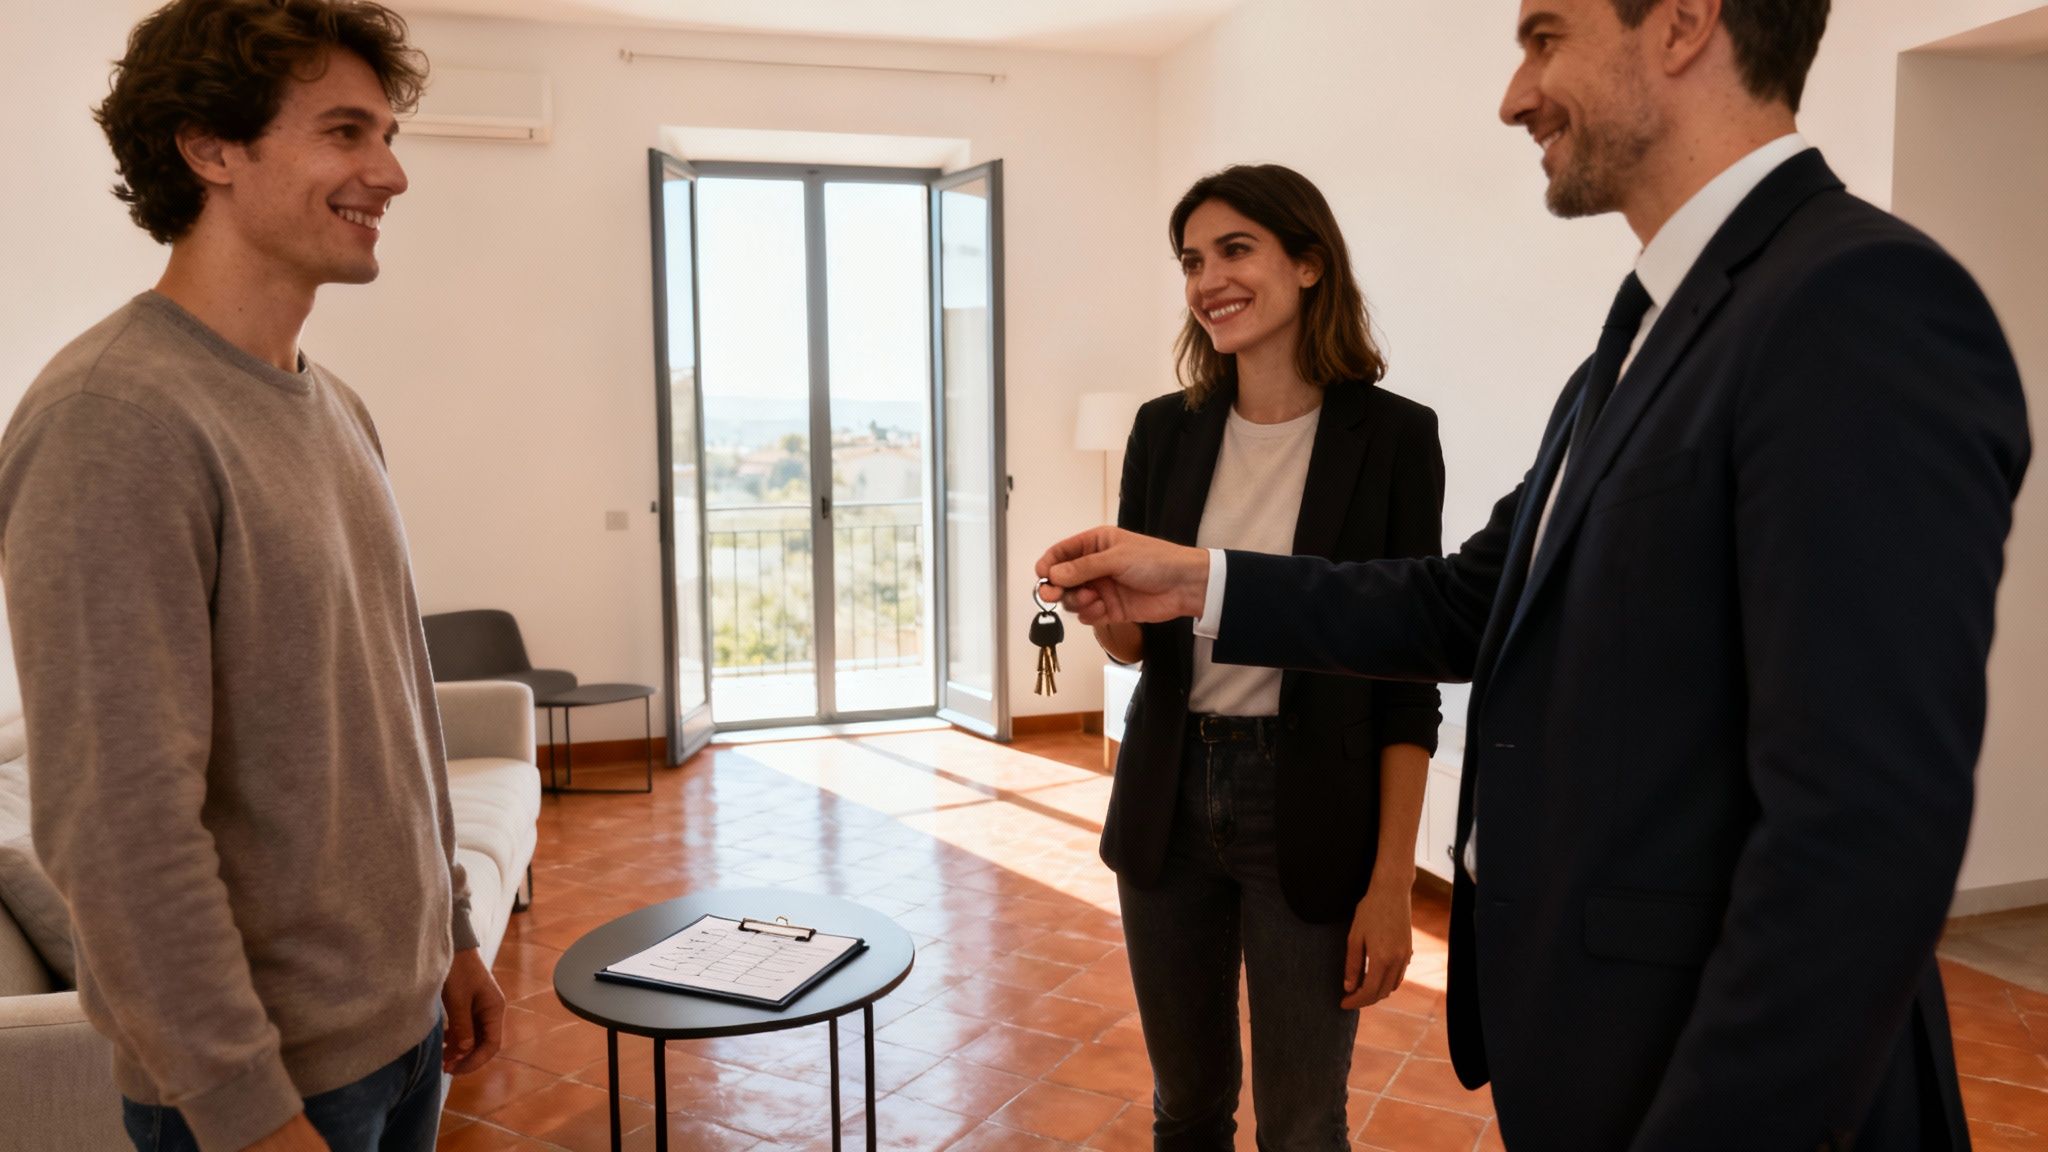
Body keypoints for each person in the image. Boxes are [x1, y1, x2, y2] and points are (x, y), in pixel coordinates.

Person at [1039, 0, 2030, 1148]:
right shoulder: (1636, 339)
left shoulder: (1856, 302)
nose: (1513, 95)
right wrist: (1200, 580)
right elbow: (1460, 603)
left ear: (1681, 23)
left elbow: (1858, 843)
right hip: (1598, 1052)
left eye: (1543, 36)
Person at [0, 2, 505, 1149]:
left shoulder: (334, 405)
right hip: (267, 1092)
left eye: (386, 133)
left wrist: (452, 938)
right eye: (344, 133)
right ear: (208, 147)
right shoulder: (111, 419)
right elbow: (116, 830)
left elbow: (392, 713)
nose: (391, 173)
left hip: (400, 1033)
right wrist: (244, 1110)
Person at [1099, 164, 1442, 1147]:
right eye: (1191, 261)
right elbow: (1136, 650)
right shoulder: (1163, 432)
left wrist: (1389, 885)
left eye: (1233, 250)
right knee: (1186, 1107)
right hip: (1166, 804)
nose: (1206, 279)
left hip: (1311, 813)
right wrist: (1105, 610)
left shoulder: (1391, 439)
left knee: (1300, 1125)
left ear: (1306, 263)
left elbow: (1404, 679)